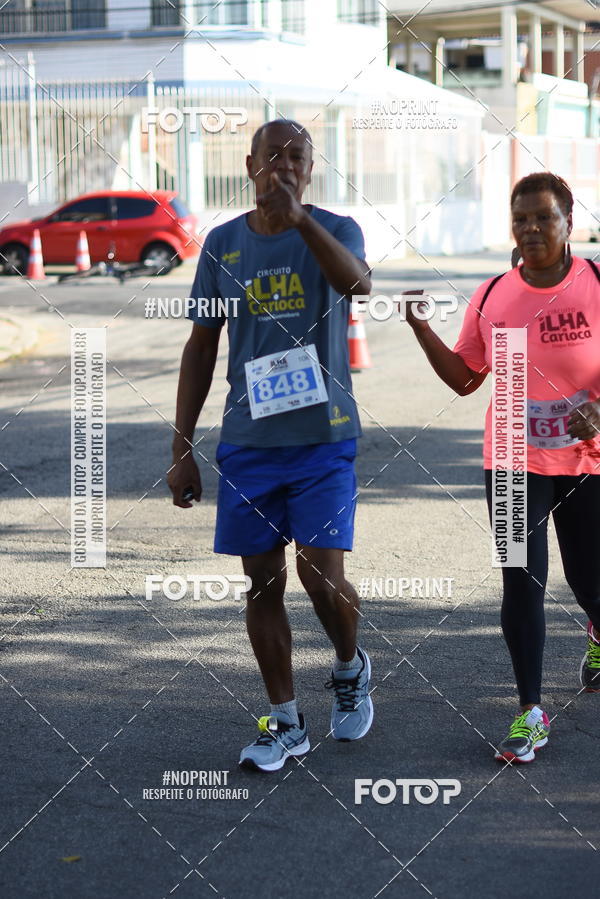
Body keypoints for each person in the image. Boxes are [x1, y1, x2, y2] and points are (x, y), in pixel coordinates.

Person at [167, 119, 374, 772]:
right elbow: (201, 345)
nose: (283, 165)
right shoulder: (224, 244)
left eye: (297, 156)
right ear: (250, 163)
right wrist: (181, 447)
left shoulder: (337, 229)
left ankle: (349, 665)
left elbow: (358, 285)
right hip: (250, 443)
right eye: (272, 155)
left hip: (322, 438)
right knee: (261, 584)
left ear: (311, 169)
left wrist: (299, 221)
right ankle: (285, 721)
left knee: (321, 575)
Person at [405, 172, 600, 763]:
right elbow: (467, 379)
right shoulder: (494, 296)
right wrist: (421, 329)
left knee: (590, 580)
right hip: (513, 460)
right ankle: (530, 711)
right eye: (521, 219)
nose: (531, 228)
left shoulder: (595, 284)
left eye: (544, 217)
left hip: (587, 461)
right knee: (522, 579)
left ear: (569, 223)